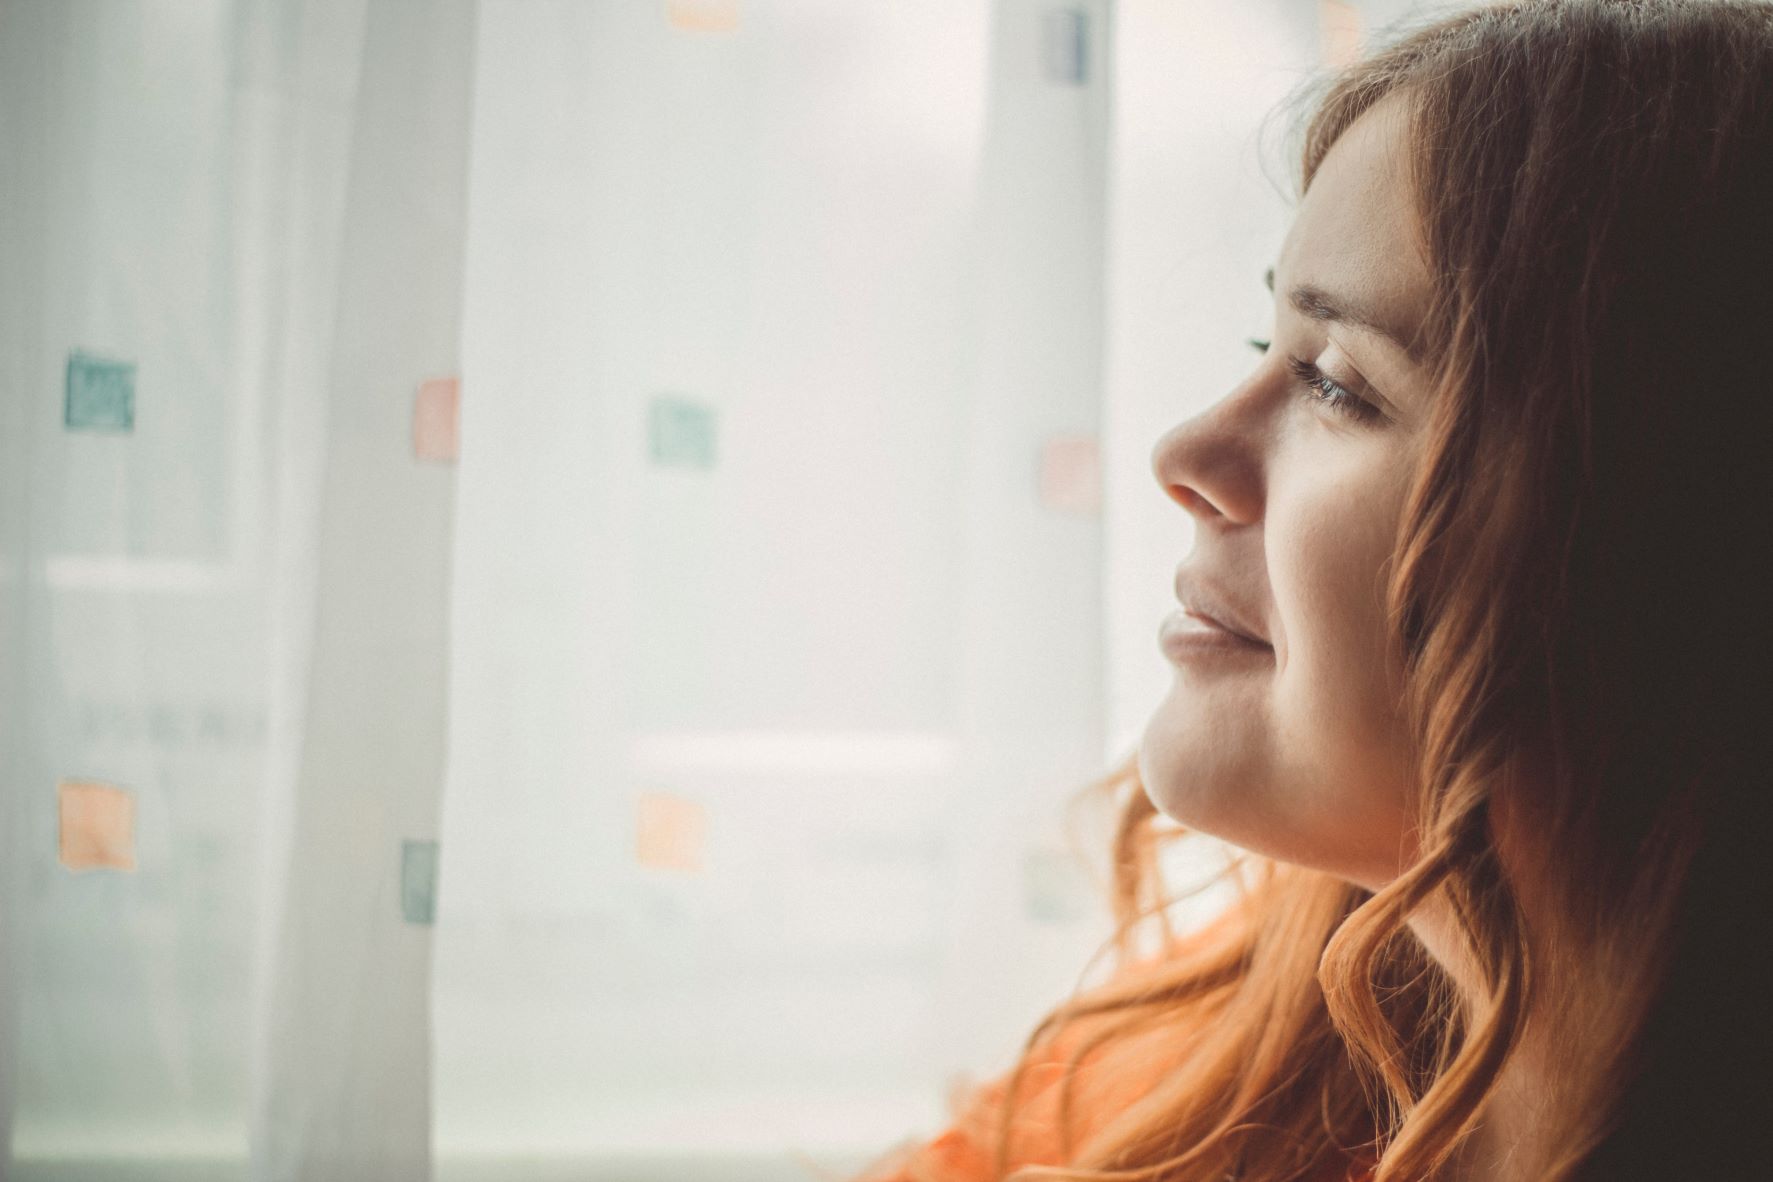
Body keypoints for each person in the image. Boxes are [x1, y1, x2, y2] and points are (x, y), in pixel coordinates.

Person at [852, 1, 1773, 1179]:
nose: (1185, 454)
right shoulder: (1245, 1056)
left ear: (1655, 538)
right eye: (1264, 351)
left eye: (1339, 382)